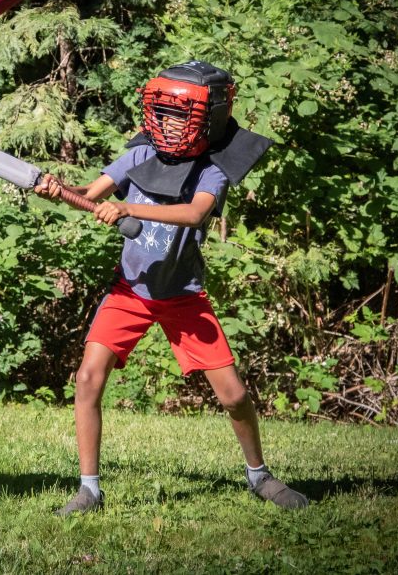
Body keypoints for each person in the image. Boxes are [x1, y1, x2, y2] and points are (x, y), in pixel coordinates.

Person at [36, 60, 308, 515]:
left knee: (234, 396)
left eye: (180, 114)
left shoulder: (212, 170)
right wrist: (60, 188)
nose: (168, 122)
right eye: (162, 112)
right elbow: (93, 189)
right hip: (131, 292)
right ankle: (89, 490)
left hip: (183, 296)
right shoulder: (141, 155)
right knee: (87, 378)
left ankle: (259, 476)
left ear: (209, 118)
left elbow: (195, 214)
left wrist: (130, 211)